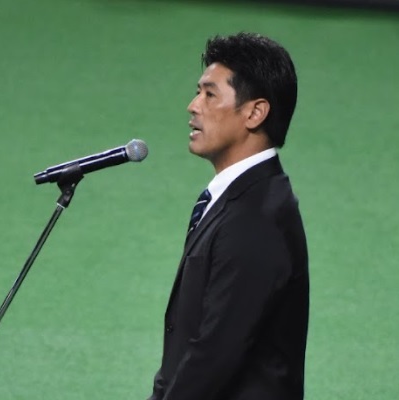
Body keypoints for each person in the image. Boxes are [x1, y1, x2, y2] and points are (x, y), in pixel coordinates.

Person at [148, 32, 310, 400]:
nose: (193, 106)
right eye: (198, 92)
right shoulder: (241, 199)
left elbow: (216, 352)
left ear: (254, 113)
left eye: (210, 95)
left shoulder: (257, 219)